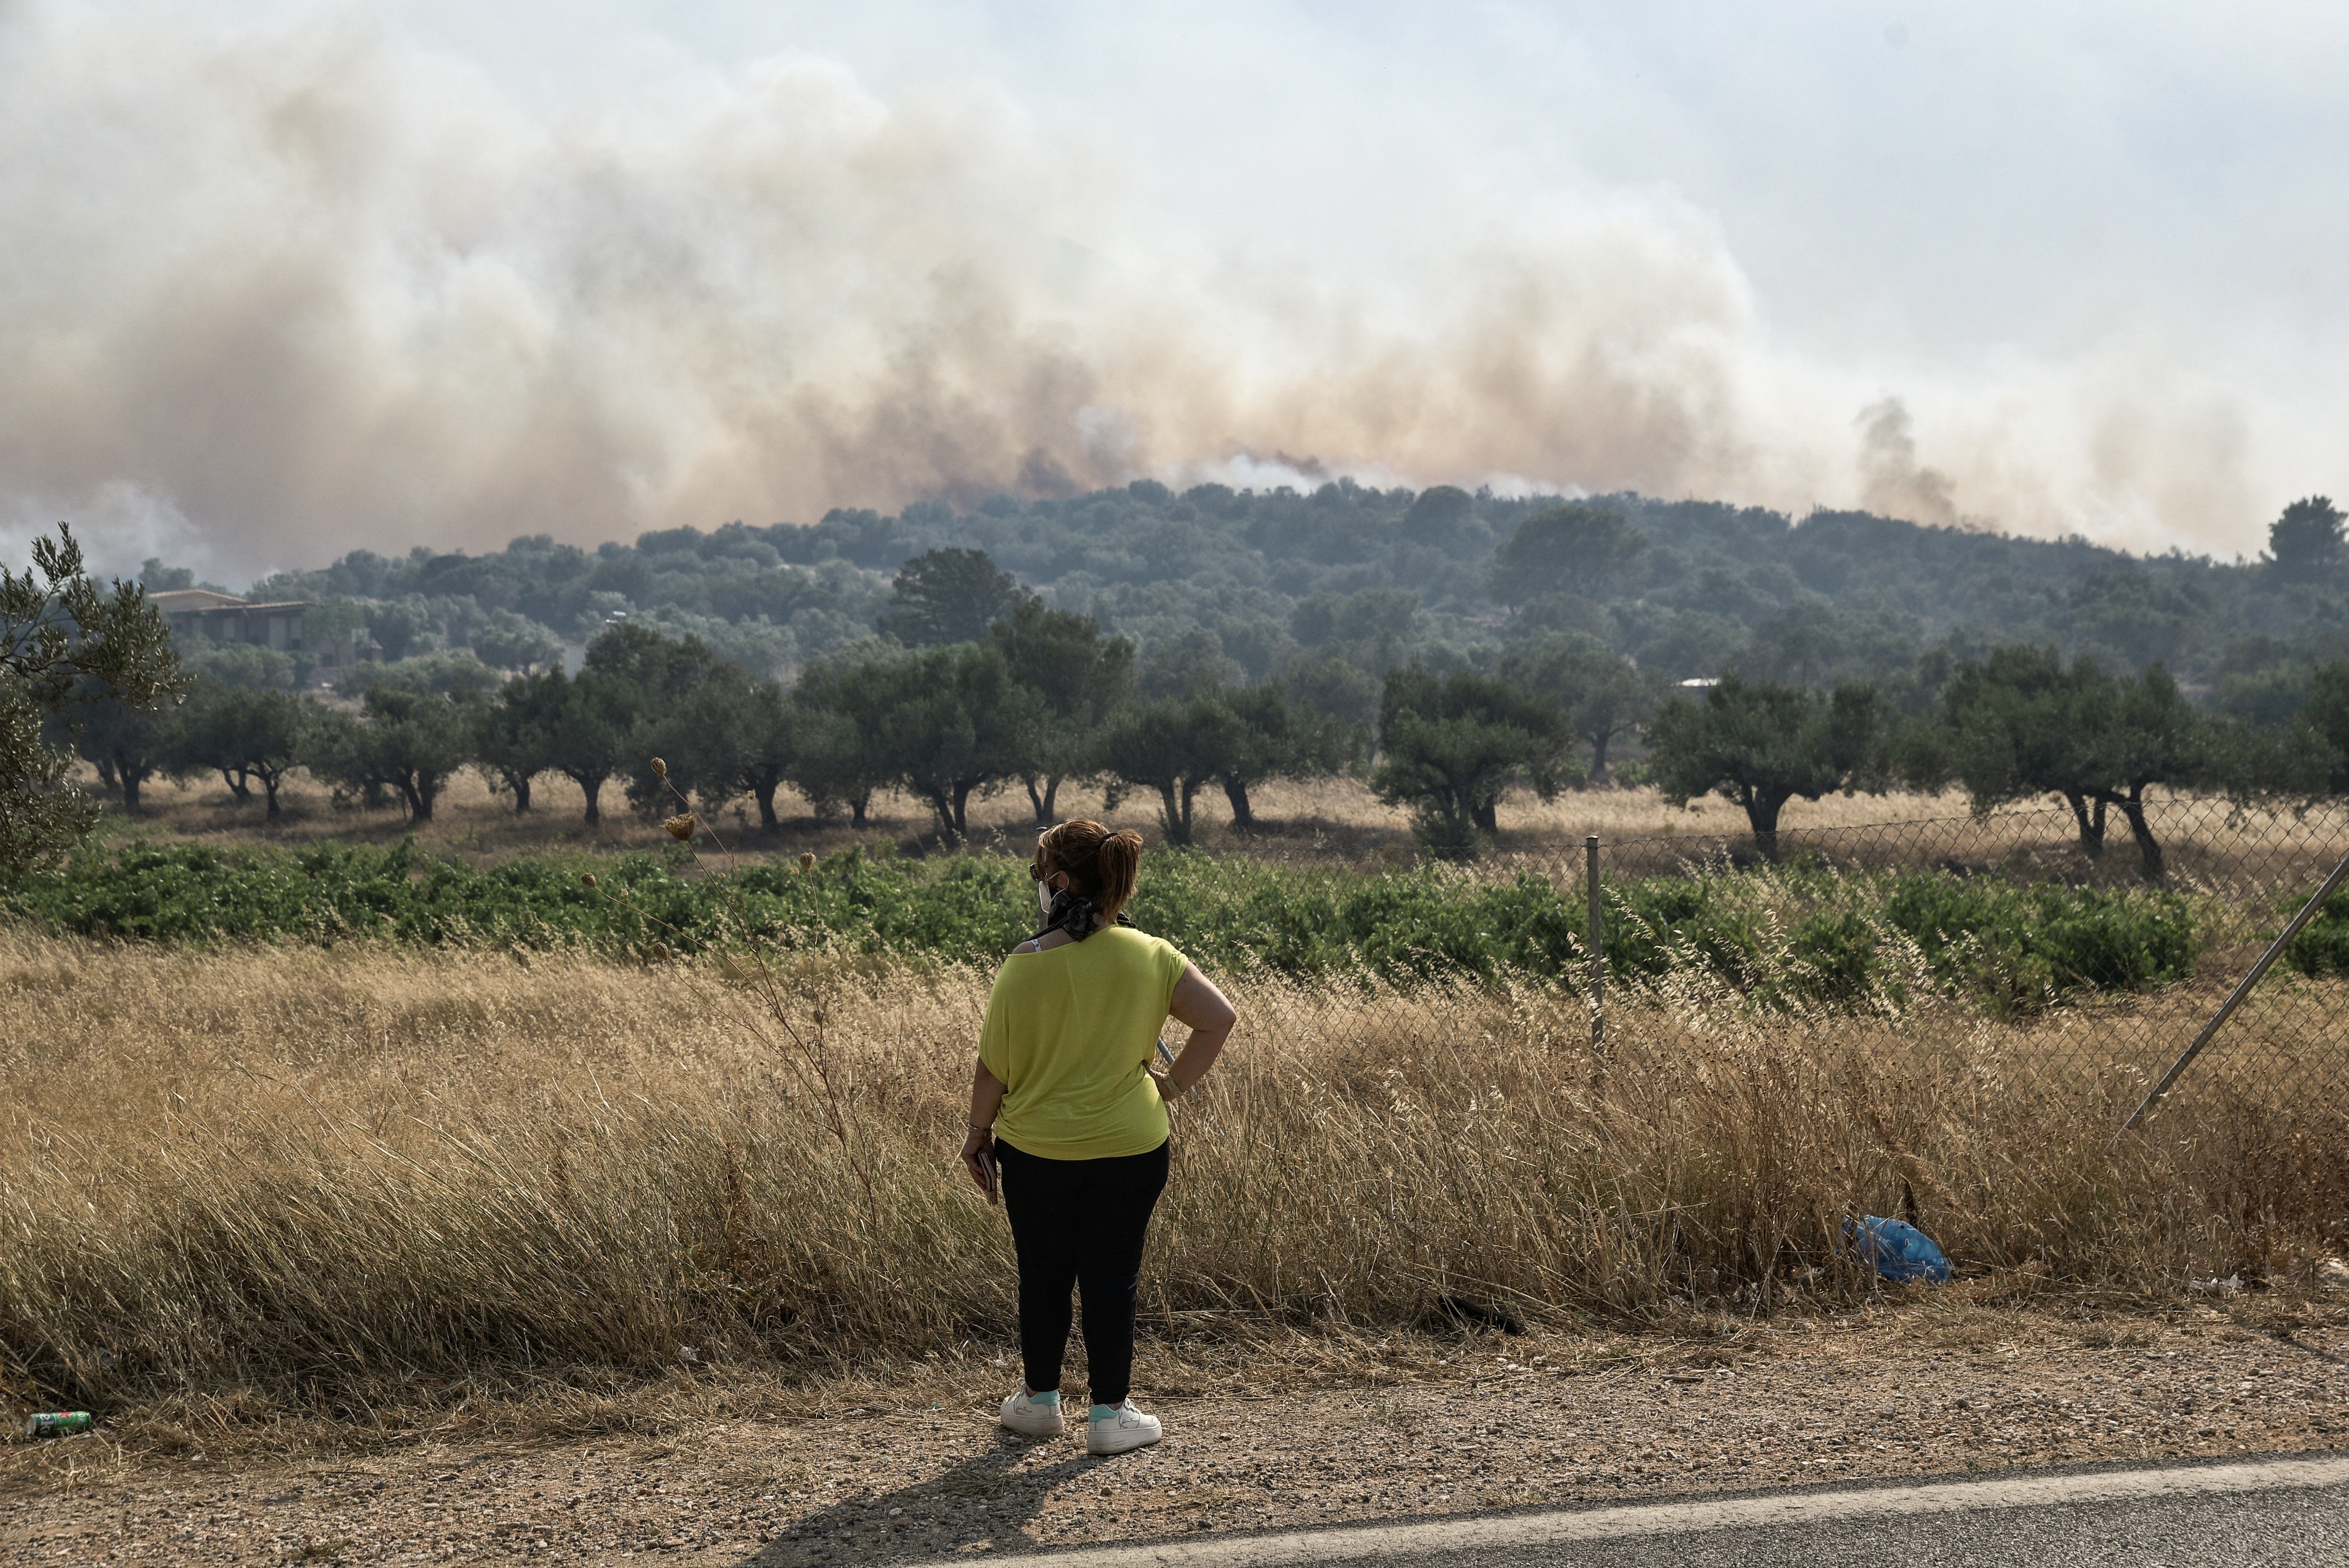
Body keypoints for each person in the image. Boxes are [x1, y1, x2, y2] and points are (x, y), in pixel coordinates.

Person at [960, 819, 1237, 1456]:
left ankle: (1039, 1404)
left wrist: (978, 1134)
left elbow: (990, 1071)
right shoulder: (1152, 954)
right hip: (1132, 1146)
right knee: (1114, 1275)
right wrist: (1168, 1090)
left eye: (1039, 876)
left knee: (1044, 1274)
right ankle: (1111, 1415)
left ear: (1059, 882)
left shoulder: (1022, 966)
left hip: (1036, 1151)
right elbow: (1219, 1019)